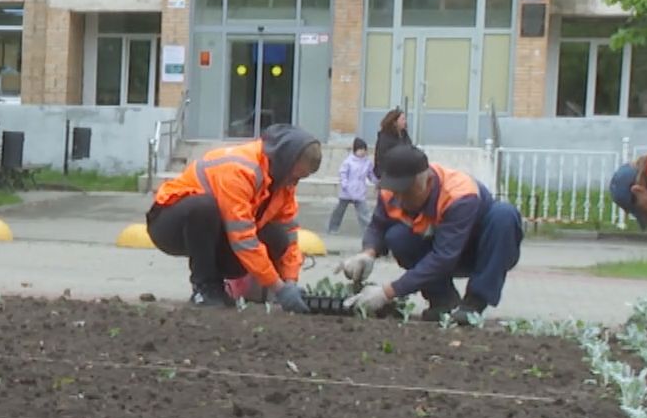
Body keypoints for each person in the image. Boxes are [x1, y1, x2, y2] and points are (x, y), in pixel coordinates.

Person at [341, 145, 523, 325]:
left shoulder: (459, 195)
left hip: (478, 251)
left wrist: (387, 292)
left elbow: (444, 257)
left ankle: (473, 304)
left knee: (504, 215)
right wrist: (367, 253)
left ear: (428, 182)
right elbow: (379, 225)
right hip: (438, 246)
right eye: (397, 191)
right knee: (397, 237)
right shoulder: (390, 192)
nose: (401, 199)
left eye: (407, 192)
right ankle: (443, 300)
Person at [147, 124, 322, 310]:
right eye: (294, 176)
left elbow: (290, 234)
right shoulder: (240, 169)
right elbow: (243, 238)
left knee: (278, 237)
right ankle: (205, 288)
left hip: (215, 233)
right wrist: (278, 288)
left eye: (300, 178)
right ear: (284, 161)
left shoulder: (283, 182)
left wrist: (290, 282)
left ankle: (222, 287)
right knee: (204, 208)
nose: (294, 182)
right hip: (169, 224)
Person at [328, 136, 373, 234]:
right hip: (347, 191)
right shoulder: (348, 162)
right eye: (360, 150)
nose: (362, 152)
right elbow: (343, 173)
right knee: (339, 211)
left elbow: (370, 174)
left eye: (364, 150)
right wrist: (344, 184)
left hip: (360, 190)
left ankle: (368, 231)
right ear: (355, 150)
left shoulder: (367, 162)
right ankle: (332, 228)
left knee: (364, 213)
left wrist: (377, 181)